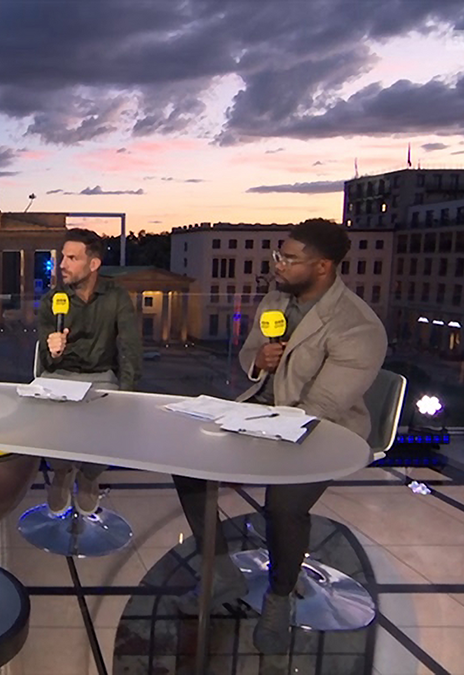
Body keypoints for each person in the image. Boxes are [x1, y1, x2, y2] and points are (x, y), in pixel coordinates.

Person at [172, 220, 387, 654]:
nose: (278, 265)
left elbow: (321, 409)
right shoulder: (276, 298)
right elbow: (250, 355)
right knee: (187, 463)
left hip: (324, 429)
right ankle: (220, 574)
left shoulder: (357, 326)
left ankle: (280, 596)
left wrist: (251, 443)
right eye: (279, 256)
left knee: (284, 505)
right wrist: (260, 360)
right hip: (262, 410)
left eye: (289, 259)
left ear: (323, 267)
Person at [38, 228, 142, 516]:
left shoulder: (116, 297)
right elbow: (45, 359)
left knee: (110, 415)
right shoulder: (52, 300)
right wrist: (53, 351)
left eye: (72, 258)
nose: (62, 264)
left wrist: (129, 397)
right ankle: (61, 470)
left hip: (100, 375)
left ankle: (89, 474)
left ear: (93, 264)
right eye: (63, 257)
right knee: (41, 411)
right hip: (59, 373)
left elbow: (130, 348)